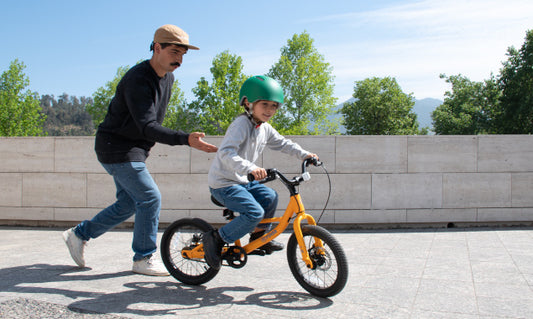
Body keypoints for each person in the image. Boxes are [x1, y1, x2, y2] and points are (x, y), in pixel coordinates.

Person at [62, 24, 218, 276]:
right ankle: (143, 257)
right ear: (157, 48)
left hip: (134, 149)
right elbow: (147, 125)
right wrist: (185, 139)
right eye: (174, 52)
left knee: (127, 203)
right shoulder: (137, 79)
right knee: (149, 196)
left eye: (183, 54)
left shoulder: (168, 78)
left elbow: (151, 124)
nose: (179, 58)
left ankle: (79, 234)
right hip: (115, 147)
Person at [203, 75, 319, 270]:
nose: (270, 110)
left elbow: (283, 143)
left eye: (274, 106)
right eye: (264, 104)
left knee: (270, 196)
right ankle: (216, 238)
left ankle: (259, 237)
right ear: (248, 103)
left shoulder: (264, 128)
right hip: (224, 183)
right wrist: (251, 168)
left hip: (242, 181)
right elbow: (225, 153)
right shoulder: (241, 125)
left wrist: (305, 155)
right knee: (254, 212)